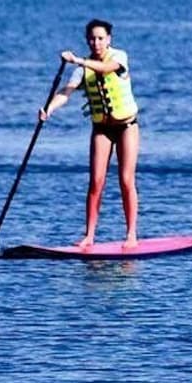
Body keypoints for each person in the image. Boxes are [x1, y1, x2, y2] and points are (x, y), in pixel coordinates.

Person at [39, 18, 140, 249]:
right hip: (102, 129)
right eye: (92, 39)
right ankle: (89, 236)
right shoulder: (82, 70)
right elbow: (66, 92)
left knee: (126, 180)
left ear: (109, 39)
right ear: (87, 40)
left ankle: (131, 234)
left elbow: (106, 69)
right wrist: (48, 110)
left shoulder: (119, 57)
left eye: (101, 38)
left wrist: (78, 60)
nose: (96, 42)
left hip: (126, 127)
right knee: (96, 182)